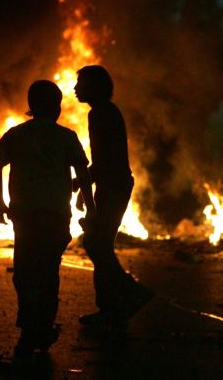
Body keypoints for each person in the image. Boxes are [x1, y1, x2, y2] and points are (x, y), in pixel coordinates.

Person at [0, 80, 96, 358]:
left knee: (25, 273)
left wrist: (0, 203)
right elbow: (83, 173)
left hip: (25, 216)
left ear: (31, 107)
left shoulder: (17, 134)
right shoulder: (67, 137)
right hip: (55, 216)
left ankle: (29, 328)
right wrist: (91, 206)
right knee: (48, 272)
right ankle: (43, 326)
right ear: (57, 107)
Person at [74, 65, 153, 328]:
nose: (75, 89)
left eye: (80, 83)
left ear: (93, 86)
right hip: (113, 184)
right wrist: (84, 186)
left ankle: (130, 292)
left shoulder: (100, 114)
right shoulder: (105, 112)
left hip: (114, 185)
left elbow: (103, 159)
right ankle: (111, 309)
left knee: (96, 244)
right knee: (98, 244)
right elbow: (102, 160)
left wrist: (85, 186)